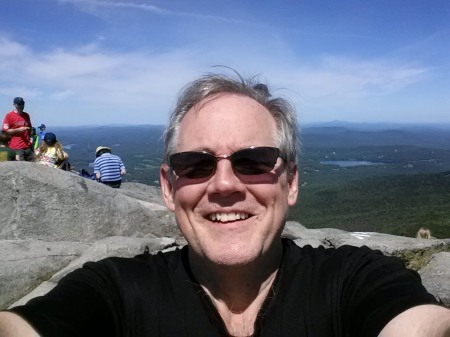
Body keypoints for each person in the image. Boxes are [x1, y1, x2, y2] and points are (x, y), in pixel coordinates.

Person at [0, 73, 449, 337]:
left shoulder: (353, 280)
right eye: (195, 164)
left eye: (254, 160)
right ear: (167, 186)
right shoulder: (117, 290)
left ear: (291, 182)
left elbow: (419, 322)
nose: (225, 184)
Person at [1, 97, 34, 161]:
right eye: (19, 104)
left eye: (22, 104)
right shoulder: (9, 115)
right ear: (14, 105)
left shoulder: (26, 115)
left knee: (33, 165)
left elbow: (29, 128)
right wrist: (18, 130)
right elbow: (5, 131)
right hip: (16, 147)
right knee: (21, 167)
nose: (21, 106)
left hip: (27, 146)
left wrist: (30, 139)